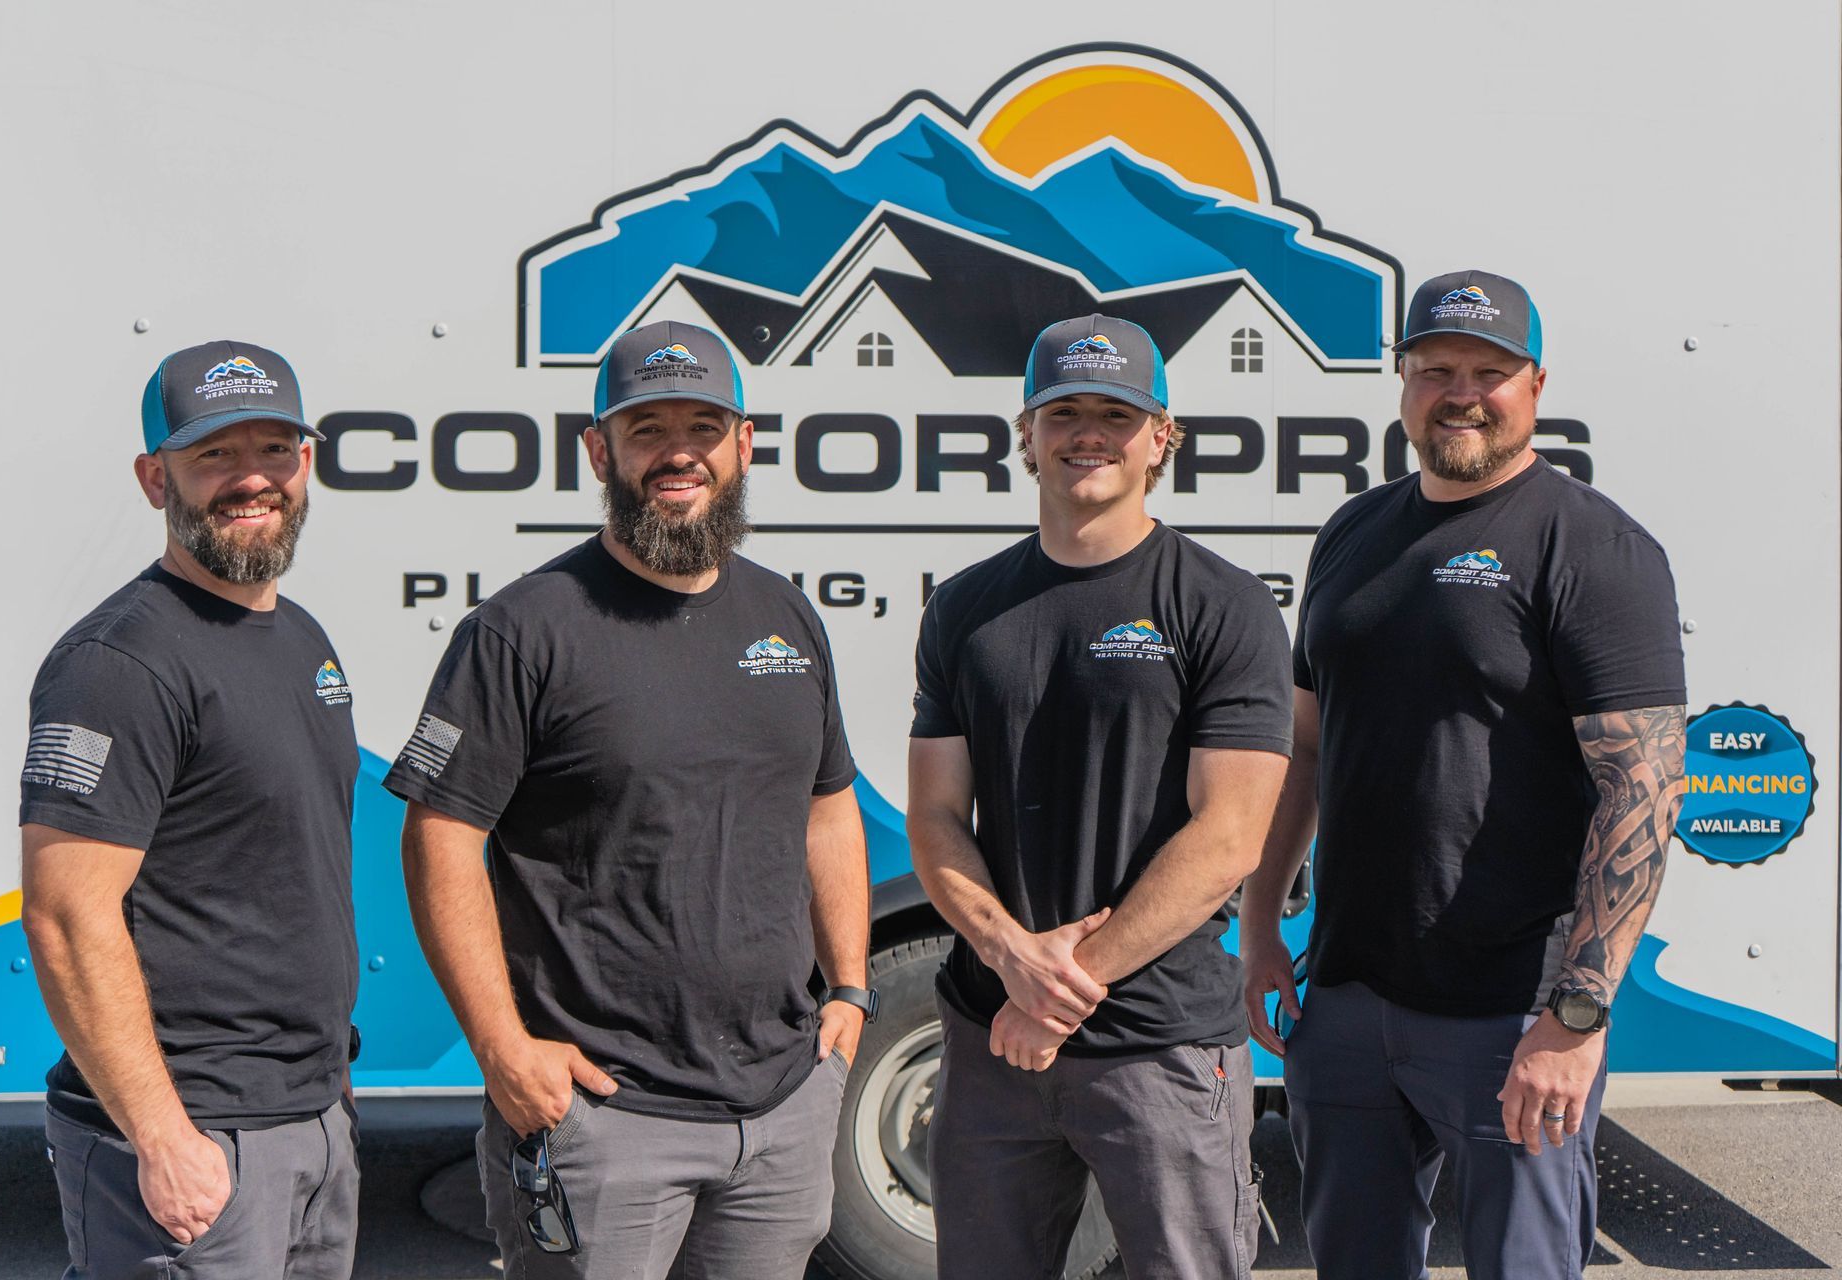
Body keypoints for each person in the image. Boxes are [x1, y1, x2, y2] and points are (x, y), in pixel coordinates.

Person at [387, 320, 871, 1279]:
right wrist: (501, 1050)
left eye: (703, 425)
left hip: (780, 1109)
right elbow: (441, 838)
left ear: (745, 442)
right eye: (648, 430)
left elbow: (828, 804)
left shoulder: (785, 615)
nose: (677, 453)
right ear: (598, 450)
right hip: (604, 1120)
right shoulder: (522, 631)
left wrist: (850, 986)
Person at [1241, 270, 1689, 1278]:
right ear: (1402, 380)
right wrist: (1264, 924)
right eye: (1436, 367)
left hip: (1510, 1011)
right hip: (1348, 996)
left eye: (1489, 370)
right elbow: (1305, 747)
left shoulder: (1593, 544)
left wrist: (1576, 1015)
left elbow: (1644, 788)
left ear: (1535, 383)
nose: (1462, 390)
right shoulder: (1353, 533)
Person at [908, 314, 1293, 1279]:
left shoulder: (1223, 603)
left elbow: (1233, 834)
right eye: (1063, 410)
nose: (1088, 432)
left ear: (1161, 439)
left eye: (1116, 412)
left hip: (1158, 1044)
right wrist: (1009, 957)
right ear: (1023, 434)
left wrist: (1058, 993)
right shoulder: (964, 607)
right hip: (992, 1031)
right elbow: (936, 816)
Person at [21, 340, 360, 1280]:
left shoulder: (300, 640)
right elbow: (64, 917)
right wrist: (163, 1138)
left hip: (309, 1121)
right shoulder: (118, 665)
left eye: (274, 451)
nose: (251, 480)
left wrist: (329, 1103)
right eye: (214, 455)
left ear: (307, 465)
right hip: (192, 1135)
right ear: (152, 478)